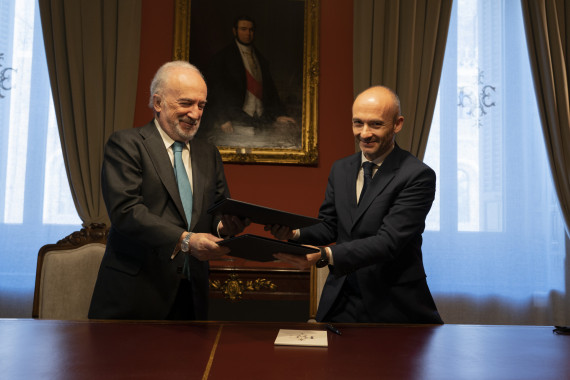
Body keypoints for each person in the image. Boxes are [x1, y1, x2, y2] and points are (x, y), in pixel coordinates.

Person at [269, 86, 443, 324]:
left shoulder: (418, 176)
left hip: (394, 305)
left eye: (376, 124)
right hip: (342, 301)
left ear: (398, 124)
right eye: (358, 123)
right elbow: (330, 226)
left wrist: (324, 255)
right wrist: (294, 233)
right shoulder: (341, 169)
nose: (364, 133)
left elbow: (388, 242)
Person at [88, 61, 248, 320]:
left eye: (201, 105)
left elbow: (217, 210)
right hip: (134, 296)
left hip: (191, 297)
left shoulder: (209, 154)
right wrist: (186, 239)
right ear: (158, 102)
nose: (195, 114)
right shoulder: (126, 144)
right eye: (186, 103)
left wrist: (225, 227)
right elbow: (126, 212)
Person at [202, 15, 296, 138]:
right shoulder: (222, 58)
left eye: (251, 30)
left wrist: (279, 114)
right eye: (243, 29)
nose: (248, 33)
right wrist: (222, 119)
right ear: (235, 31)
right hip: (234, 121)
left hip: (261, 120)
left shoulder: (261, 59)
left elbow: (270, 91)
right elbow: (213, 91)